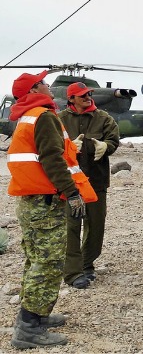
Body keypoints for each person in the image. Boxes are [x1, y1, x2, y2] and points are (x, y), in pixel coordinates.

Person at [7, 70, 97, 349]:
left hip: (32, 202)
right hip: (44, 203)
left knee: (35, 259)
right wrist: (72, 194)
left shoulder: (27, 116)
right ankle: (29, 327)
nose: (49, 86)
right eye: (44, 83)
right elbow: (52, 159)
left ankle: (34, 316)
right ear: (35, 89)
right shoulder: (43, 116)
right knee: (48, 263)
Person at [58, 81, 120, 288]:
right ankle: (73, 270)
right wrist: (66, 148)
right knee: (72, 226)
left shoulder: (103, 118)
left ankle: (87, 264)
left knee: (96, 225)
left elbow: (113, 139)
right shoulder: (60, 119)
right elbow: (51, 145)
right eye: (82, 95)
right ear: (71, 98)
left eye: (89, 94)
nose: (87, 97)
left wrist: (107, 146)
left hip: (96, 180)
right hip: (70, 183)